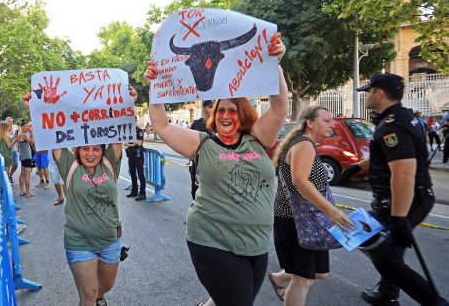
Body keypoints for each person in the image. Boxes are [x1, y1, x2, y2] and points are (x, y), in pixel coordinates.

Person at [144, 32, 288, 306]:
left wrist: (274, 65)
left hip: (256, 244)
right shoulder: (202, 145)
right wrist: (155, 87)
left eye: (232, 111)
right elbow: (161, 124)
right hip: (211, 241)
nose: (225, 115)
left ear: (242, 115)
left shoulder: (258, 140)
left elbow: (279, 107)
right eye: (220, 110)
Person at [22, 85, 137, 306]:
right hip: (79, 242)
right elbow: (52, 133)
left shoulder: (110, 163)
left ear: (102, 151)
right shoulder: (69, 166)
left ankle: (98, 298)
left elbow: (118, 129)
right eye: (85, 149)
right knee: (88, 294)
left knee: (105, 287)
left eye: (96, 149)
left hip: (110, 240)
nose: (91, 153)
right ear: (77, 150)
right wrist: (35, 109)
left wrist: (127, 103)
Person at [355, 73, 447, 306]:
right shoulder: (402, 118)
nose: (366, 95)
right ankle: (387, 292)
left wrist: (398, 219)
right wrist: (357, 167)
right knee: (388, 250)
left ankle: (433, 301)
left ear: (380, 93)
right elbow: (393, 156)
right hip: (406, 198)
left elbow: (403, 173)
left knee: (384, 257)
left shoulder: (393, 125)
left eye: (368, 91)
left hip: (405, 200)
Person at [268, 106, 354, 305]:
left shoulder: (304, 143)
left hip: (309, 220)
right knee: (303, 279)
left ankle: (278, 278)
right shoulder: (303, 145)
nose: (332, 124)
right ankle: (285, 279)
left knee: (320, 273)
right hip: (294, 221)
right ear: (310, 123)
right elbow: (300, 181)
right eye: (326, 120)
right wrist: (331, 210)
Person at [189, 100, 214, 200]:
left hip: (214, 164)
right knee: (195, 191)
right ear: (204, 108)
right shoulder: (196, 124)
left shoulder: (219, 123)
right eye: (210, 106)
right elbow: (189, 142)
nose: (213, 109)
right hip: (198, 163)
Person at [124, 119, 146, 201]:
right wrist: (133, 143)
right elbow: (125, 143)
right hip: (131, 154)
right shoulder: (128, 130)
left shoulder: (139, 130)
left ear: (136, 122)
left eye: (134, 121)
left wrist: (132, 143)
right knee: (132, 173)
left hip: (138, 154)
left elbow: (139, 143)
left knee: (140, 174)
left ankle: (142, 193)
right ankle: (134, 191)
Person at [17, 121, 35, 197]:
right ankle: (28, 192)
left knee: (23, 173)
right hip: (26, 156)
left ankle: (22, 191)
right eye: (27, 126)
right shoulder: (23, 135)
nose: (28, 127)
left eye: (29, 126)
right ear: (22, 127)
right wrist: (32, 133)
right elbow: (32, 142)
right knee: (27, 174)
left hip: (22, 155)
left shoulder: (19, 134)